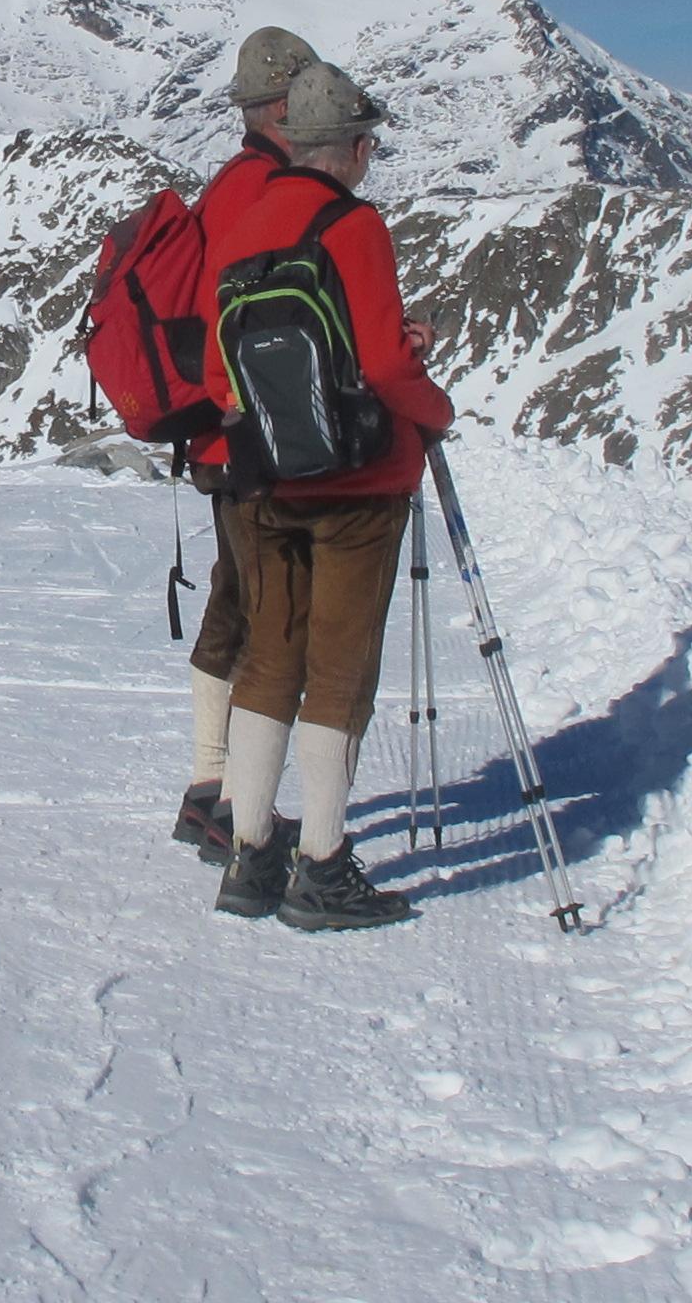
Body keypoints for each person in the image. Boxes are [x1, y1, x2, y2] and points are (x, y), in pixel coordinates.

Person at [203, 60, 450, 933]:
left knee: (270, 660)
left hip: (266, 482)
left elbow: (219, 371)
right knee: (340, 674)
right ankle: (323, 867)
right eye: (367, 141)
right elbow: (381, 364)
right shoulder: (354, 224)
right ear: (348, 146)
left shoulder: (245, 220)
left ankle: (249, 853)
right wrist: (434, 409)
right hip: (359, 485)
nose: (371, 154)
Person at [172, 25, 320, 866]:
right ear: (285, 106)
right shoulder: (264, 190)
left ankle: (211, 788)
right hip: (248, 436)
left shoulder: (233, 180)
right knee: (269, 617)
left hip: (217, 433)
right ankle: (234, 809)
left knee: (234, 603)